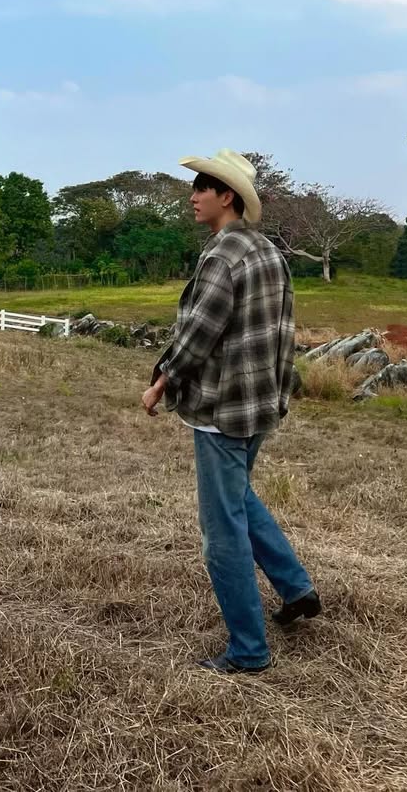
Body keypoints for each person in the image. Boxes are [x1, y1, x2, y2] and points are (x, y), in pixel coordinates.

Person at [141, 148, 321, 674]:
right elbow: (285, 334)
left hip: (221, 408)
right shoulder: (268, 252)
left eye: (202, 187)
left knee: (222, 528)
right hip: (260, 403)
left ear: (228, 197)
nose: (193, 197)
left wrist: (159, 383)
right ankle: (295, 587)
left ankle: (248, 651)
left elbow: (198, 335)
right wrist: (282, 393)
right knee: (238, 494)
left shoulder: (222, 257)